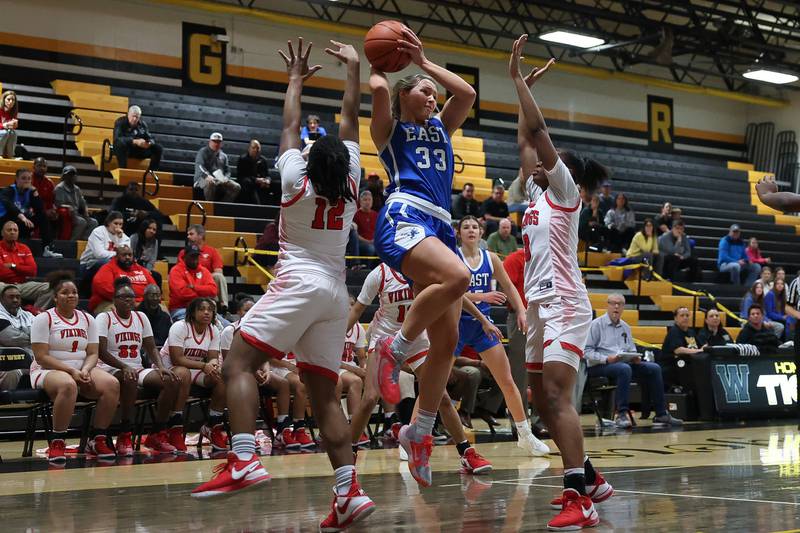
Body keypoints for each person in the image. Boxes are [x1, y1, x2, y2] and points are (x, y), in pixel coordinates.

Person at [192, 39, 375, 530]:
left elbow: (291, 127)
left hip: (300, 281)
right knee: (326, 397)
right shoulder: (353, 181)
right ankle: (348, 492)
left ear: (311, 163)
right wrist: (353, 69)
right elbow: (350, 120)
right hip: (336, 294)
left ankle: (245, 456)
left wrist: (295, 79)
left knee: (237, 364)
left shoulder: (296, 179)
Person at [368, 26, 477, 491]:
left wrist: (425, 62)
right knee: (459, 275)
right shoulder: (390, 132)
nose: (433, 97)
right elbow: (376, 86)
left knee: (448, 346)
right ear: (404, 95)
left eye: (435, 93)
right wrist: (380, 63)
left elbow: (467, 92)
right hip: (405, 214)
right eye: (425, 91)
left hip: (441, 225)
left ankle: (419, 430)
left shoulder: (441, 127)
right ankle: (395, 347)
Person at [510, 36, 612, 530]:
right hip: (537, 305)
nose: (543, 162)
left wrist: (515, 81)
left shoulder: (566, 192)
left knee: (556, 395)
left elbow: (540, 131)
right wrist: (520, 93)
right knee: (539, 401)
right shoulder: (534, 190)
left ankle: (579, 496)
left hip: (567, 303)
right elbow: (526, 139)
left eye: (553, 160)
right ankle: (589, 475)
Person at [345, 262, 493, 474]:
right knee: (369, 398)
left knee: (440, 397)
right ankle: (348, 456)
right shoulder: (380, 273)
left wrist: (482, 320)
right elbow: (358, 309)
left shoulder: (424, 268)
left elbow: (457, 294)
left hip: (416, 338)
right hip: (385, 337)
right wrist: (339, 339)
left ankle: (466, 453)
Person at [456, 216, 549, 454]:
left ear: (481, 232)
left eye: (474, 227)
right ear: (459, 233)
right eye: (466, 227)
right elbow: (453, 293)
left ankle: (525, 434)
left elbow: (508, 286)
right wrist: (481, 298)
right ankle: (415, 431)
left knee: (507, 380)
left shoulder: (491, 258)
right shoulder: (452, 257)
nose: (471, 230)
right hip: (456, 323)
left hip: (484, 326)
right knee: (433, 381)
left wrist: (520, 310)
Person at [30, 274, 120, 463]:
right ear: (55, 297)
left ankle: (98, 438)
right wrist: (71, 371)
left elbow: (93, 353)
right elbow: (41, 356)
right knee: (68, 385)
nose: (71, 296)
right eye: (65, 293)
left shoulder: (88, 319)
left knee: (112, 383)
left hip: (80, 368)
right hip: (46, 369)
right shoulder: (44, 319)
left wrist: (86, 369)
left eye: (74, 292)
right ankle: (58, 441)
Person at [96, 277, 179, 455]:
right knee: (130, 377)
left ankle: (157, 433)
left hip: (136, 368)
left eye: (132, 297)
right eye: (124, 297)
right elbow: (101, 351)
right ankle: (125, 433)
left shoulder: (141, 317)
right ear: (114, 300)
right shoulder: (105, 318)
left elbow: (150, 346)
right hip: (108, 369)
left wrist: (160, 366)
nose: (129, 300)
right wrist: (123, 367)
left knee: (169, 380)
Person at [585, 293, 682, 428]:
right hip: (600, 365)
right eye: (613, 303)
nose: (616, 306)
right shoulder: (596, 325)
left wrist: (634, 357)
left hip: (623, 364)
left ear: (623, 307)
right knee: (624, 369)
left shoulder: (625, 327)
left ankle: (661, 414)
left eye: (620, 304)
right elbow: (586, 352)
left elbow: (630, 349)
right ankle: (622, 414)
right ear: (608, 305)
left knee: (654, 368)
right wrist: (607, 359)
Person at [159, 297, 225, 453]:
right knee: (183, 372)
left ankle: (212, 425)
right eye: (202, 309)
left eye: (210, 310)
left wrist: (214, 365)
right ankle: (175, 426)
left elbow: (213, 356)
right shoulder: (180, 327)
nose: (207, 312)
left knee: (221, 378)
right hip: (170, 368)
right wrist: (204, 365)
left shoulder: (213, 330)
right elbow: (177, 359)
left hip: (194, 369)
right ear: (192, 312)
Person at [89, 244, 156, 313]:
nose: (127, 257)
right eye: (124, 255)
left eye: (130, 255)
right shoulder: (108, 268)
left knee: (162, 309)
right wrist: (132, 302)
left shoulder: (141, 269)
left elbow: (153, 287)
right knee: (117, 311)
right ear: (117, 257)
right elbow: (104, 289)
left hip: (142, 304)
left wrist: (147, 302)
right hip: (111, 303)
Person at [178, 224, 229, 312]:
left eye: (191, 234)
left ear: (200, 235)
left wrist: (204, 277)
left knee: (218, 276)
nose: (188, 236)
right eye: (188, 234)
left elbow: (219, 271)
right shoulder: (184, 253)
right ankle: (212, 304)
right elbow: (181, 270)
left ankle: (223, 306)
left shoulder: (211, 251)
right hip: (191, 279)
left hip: (206, 281)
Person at [0, 220, 49, 303]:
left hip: (22, 285)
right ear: (2, 233)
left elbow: (32, 271)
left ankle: (37, 313)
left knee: (48, 287)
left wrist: (12, 266)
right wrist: (22, 271)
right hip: (3, 284)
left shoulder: (24, 248)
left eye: (15, 230)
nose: (12, 232)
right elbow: (2, 273)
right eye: (9, 230)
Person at [658, 306, 704, 392]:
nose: (685, 318)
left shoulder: (691, 332)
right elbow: (678, 350)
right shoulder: (674, 331)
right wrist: (698, 351)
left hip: (687, 365)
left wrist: (705, 347)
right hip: (671, 366)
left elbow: (701, 346)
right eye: (682, 315)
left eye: (687, 315)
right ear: (675, 318)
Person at [79, 211, 130, 288]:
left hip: (111, 263)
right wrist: (118, 255)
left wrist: (120, 239)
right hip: (89, 264)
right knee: (107, 262)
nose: (118, 227)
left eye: (120, 224)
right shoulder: (98, 232)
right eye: (115, 223)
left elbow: (126, 255)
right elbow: (99, 255)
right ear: (109, 223)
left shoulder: (124, 238)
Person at [168, 244, 217, 320]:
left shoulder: (204, 270)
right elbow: (182, 294)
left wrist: (194, 287)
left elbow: (213, 290)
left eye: (196, 256)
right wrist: (203, 295)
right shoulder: (176, 270)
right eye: (192, 256)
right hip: (182, 309)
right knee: (190, 324)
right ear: (185, 257)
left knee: (227, 325)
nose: (195, 259)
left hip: (204, 309)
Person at [0, 285, 34, 389]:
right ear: (2, 299)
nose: (15, 300)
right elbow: (11, 339)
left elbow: (42, 335)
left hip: (31, 360)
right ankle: (8, 403)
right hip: (5, 362)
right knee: (11, 373)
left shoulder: (28, 315)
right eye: (11, 297)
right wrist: (33, 338)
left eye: (18, 297)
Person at [1, 168, 46, 243]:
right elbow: (10, 207)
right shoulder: (8, 191)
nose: (27, 181)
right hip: (4, 222)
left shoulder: (30, 193)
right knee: (11, 215)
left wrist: (35, 192)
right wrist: (22, 216)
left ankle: (47, 247)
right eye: (23, 178)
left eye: (29, 179)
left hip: (21, 223)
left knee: (42, 216)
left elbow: (40, 209)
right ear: (17, 179)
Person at [113, 105, 163, 171]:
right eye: (133, 116)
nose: (135, 119)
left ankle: (152, 172)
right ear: (128, 114)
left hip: (138, 150)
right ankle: (123, 170)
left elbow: (150, 138)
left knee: (158, 148)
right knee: (120, 144)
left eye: (137, 117)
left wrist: (148, 143)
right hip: (126, 150)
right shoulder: (120, 122)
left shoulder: (142, 124)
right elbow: (117, 139)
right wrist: (134, 141)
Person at [194, 132, 241, 202]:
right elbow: (200, 166)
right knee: (210, 182)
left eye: (219, 142)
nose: (216, 144)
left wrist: (226, 178)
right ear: (210, 141)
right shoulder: (202, 152)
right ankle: (210, 207)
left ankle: (223, 205)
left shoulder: (224, 156)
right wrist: (207, 176)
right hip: (201, 180)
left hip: (218, 180)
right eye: (214, 141)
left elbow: (227, 171)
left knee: (236, 187)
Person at [54, 165, 97, 240]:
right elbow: (57, 204)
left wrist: (85, 209)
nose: (71, 177)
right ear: (64, 176)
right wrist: (68, 207)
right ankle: (71, 243)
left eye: (73, 175)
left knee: (93, 222)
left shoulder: (77, 189)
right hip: (68, 214)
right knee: (81, 222)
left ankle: (82, 240)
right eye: (69, 175)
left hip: (77, 213)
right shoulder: (59, 188)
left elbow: (82, 202)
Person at [30, 157, 61, 256]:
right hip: (31, 210)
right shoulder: (28, 179)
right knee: (42, 217)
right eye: (39, 166)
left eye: (44, 166)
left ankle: (52, 245)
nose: (42, 168)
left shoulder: (49, 183)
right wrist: (44, 211)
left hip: (45, 211)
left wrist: (53, 210)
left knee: (59, 216)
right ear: (34, 167)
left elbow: (52, 202)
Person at [236, 139, 274, 205]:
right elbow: (241, 175)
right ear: (249, 149)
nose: (256, 150)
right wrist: (256, 180)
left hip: (262, 182)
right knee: (248, 183)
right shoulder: (243, 159)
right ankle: (257, 205)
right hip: (249, 182)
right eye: (253, 148)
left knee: (278, 184)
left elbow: (267, 174)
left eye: (258, 148)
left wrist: (267, 180)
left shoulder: (263, 160)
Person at [129, 218, 161, 285]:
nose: (152, 231)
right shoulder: (134, 238)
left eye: (154, 229)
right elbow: (130, 257)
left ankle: (157, 295)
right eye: (149, 228)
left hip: (146, 267)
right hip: (133, 266)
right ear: (144, 228)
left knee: (157, 276)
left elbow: (152, 260)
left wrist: (147, 270)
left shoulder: (155, 242)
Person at [353, 190, 378, 259]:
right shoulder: (356, 215)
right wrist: (367, 241)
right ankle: (367, 268)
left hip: (374, 241)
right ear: (360, 202)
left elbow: (379, 231)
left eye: (369, 200)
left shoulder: (376, 214)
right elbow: (355, 235)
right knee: (370, 249)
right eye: (365, 200)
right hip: (361, 242)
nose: (367, 202)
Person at [0, 90, 18, 158]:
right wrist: (3, 125)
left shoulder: (13, 111)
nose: (11, 102)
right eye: (8, 99)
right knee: (4, 132)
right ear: (4, 99)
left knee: (13, 133)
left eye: (13, 100)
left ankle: (10, 155)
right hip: (2, 131)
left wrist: (14, 125)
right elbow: (4, 126)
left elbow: (12, 126)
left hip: (5, 131)